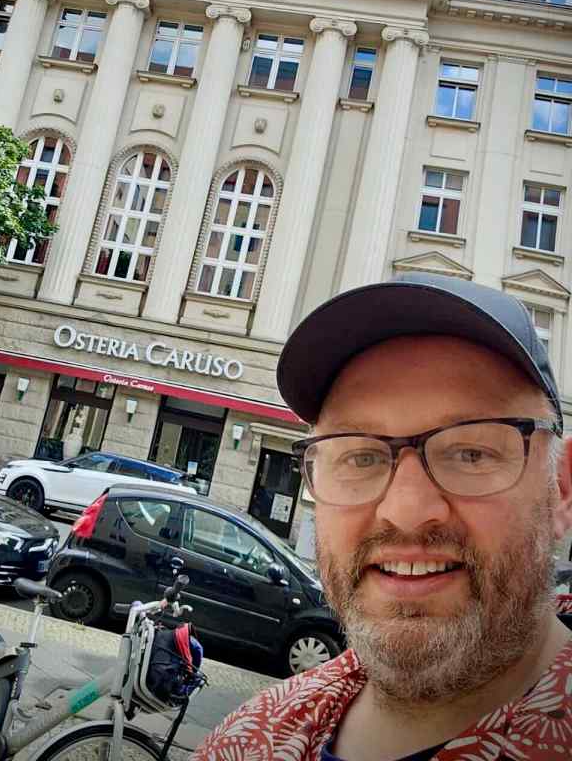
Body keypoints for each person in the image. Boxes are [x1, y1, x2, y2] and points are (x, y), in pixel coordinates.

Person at [193, 273, 572, 760]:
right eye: (361, 457)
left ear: (561, 489)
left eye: (471, 453)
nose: (405, 513)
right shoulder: (245, 741)